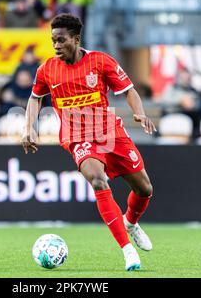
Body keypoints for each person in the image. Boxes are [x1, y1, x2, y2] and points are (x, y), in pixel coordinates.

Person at [22, 14, 155, 271]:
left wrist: (139, 112)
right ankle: (127, 250)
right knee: (97, 180)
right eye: (53, 41)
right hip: (77, 137)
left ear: (76, 38)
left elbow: (128, 89)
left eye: (61, 40)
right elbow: (35, 98)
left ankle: (130, 222)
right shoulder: (46, 69)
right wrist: (29, 127)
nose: (56, 46)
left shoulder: (100, 61)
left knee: (145, 189)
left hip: (108, 131)